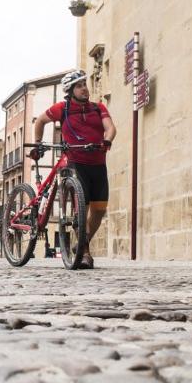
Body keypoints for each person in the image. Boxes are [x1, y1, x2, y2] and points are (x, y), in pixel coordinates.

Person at [29, 69, 116, 269]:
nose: (85, 88)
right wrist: (38, 143)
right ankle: (85, 252)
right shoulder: (62, 108)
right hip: (76, 163)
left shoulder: (98, 107)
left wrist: (106, 140)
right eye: (79, 85)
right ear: (70, 90)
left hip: (98, 164)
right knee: (81, 208)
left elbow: (110, 127)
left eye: (85, 84)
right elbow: (40, 121)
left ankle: (81, 244)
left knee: (99, 210)